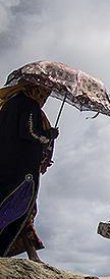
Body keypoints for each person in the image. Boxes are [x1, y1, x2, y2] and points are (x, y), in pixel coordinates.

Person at [0, 83, 58, 258]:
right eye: (43, 93)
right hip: (21, 170)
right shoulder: (28, 105)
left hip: (5, 167)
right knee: (20, 208)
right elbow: (30, 132)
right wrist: (49, 135)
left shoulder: (8, 104)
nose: (44, 98)